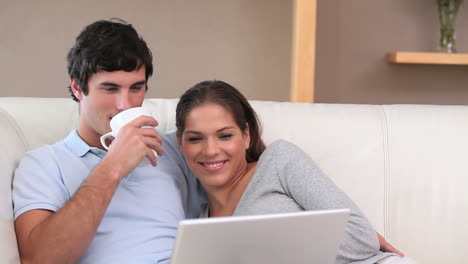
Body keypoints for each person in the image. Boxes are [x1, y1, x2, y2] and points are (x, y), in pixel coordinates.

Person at [12, 19, 202, 263]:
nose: (125, 104)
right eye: (110, 89)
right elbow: (39, 259)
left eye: (136, 88)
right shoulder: (43, 164)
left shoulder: (176, 148)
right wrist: (113, 166)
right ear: (78, 87)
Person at [175, 80, 415, 264]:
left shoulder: (278, 161)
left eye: (225, 135)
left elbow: (362, 238)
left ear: (246, 135)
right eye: (195, 139)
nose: (210, 150)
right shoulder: (198, 229)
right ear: (180, 143)